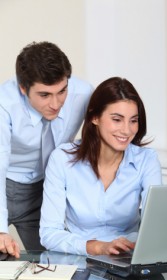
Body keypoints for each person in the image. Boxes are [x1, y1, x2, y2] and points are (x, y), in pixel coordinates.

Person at [40, 77, 167, 280]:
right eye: (117, 119)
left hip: (130, 258)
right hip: (83, 259)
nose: (127, 130)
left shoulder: (146, 160)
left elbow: (156, 224)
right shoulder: (62, 160)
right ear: (94, 117)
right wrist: (98, 247)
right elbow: (49, 233)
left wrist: (136, 244)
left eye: (133, 121)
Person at [0, 41, 93, 259]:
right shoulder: (4, 103)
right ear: (23, 88)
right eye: (44, 95)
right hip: (5, 183)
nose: (55, 103)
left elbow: (95, 143)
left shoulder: (84, 93)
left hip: (45, 188)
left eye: (62, 91)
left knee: (53, 268)